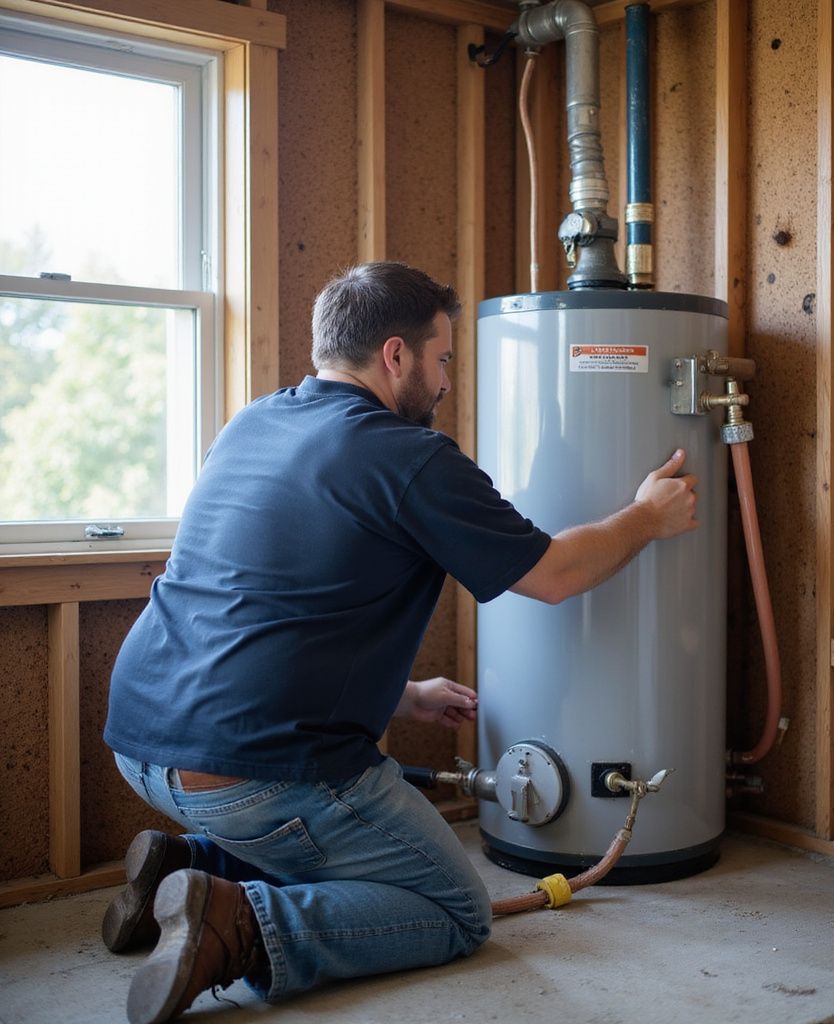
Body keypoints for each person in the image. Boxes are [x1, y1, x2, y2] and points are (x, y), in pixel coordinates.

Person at [102, 261, 699, 1024]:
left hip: (141, 744)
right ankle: (240, 924)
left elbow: (269, 608)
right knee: (453, 909)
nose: (448, 380)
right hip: (249, 776)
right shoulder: (411, 457)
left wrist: (406, 694)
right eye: (443, 358)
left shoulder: (254, 421)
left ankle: (185, 867)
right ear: (396, 355)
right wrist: (647, 516)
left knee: (349, 848)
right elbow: (553, 575)